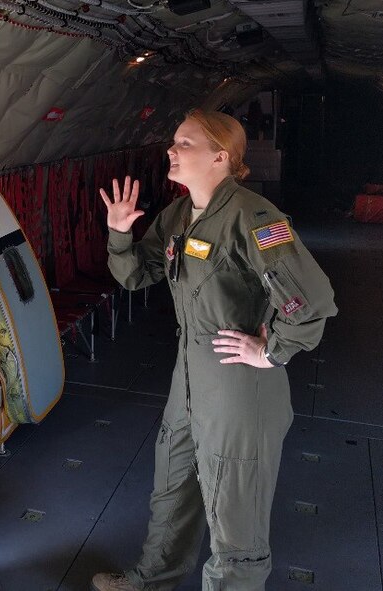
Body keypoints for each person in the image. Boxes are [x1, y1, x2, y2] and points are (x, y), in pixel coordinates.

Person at [90, 109, 337, 591]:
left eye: (184, 143)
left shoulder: (255, 215)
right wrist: (119, 231)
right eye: (173, 142)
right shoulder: (181, 214)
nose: (171, 150)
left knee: (234, 516)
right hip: (188, 380)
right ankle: (153, 578)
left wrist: (270, 352)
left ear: (220, 157)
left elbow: (311, 300)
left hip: (236, 387)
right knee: (173, 488)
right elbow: (136, 274)